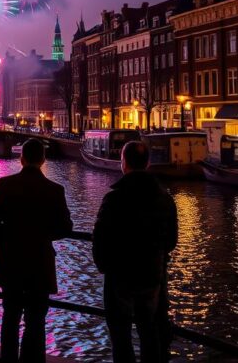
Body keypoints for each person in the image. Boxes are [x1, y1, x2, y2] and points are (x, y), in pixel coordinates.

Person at [0, 139, 73, 363]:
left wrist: (4, 239)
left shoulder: (5, 184)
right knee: (36, 320)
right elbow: (65, 227)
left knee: (11, 317)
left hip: (11, 260)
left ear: (21, 158)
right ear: (43, 159)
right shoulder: (55, 190)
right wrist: (43, 236)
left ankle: (9, 360)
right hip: (40, 262)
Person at [93, 142, 178, 363]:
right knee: (150, 331)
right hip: (151, 274)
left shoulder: (114, 198)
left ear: (124, 163)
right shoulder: (165, 198)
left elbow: (100, 238)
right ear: (148, 163)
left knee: (120, 335)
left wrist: (104, 266)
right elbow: (171, 240)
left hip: (119, 274)